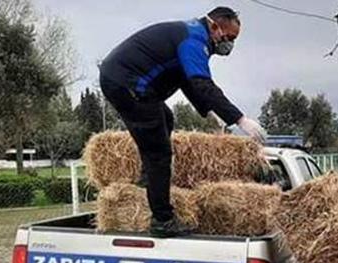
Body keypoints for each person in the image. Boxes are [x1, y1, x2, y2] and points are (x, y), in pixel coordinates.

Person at [99, 6, 267, 237]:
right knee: (158, 154)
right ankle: (162, 221)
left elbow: (186, 80)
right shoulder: (194, 40)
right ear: (215, 25)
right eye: (228, 37)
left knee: (165, 118)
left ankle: (148, 179)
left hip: (124, 80)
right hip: (129, 84)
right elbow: (201, 83)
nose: (229, 44)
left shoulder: (192, 33)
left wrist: (209, 111)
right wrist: (239, 119)